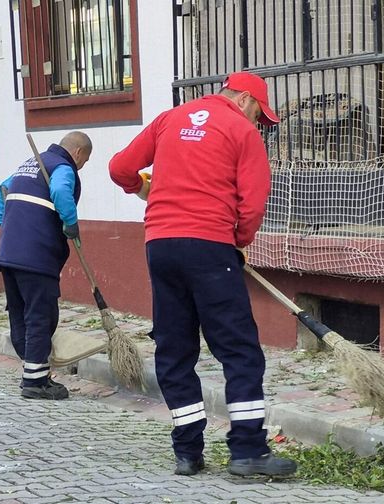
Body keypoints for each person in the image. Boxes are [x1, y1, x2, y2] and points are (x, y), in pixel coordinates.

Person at [108, 72, 297, 477]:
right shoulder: (241, 132)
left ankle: (187, 452)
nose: (257, 125)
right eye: (258, 116)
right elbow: (252, 201)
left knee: (175, 350)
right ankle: (247, 451)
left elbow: (120, 168)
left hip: (159, 245)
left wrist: (139, 187)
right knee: (238, 349)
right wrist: (238, 241)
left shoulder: (169, 118)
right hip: (210, 245)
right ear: (245, 100)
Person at [0, 131, 92, 400]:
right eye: (84, 161)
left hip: (9, 252)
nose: (81, 166)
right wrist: (70, 222)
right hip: (37, 256)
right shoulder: (62, 167)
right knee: (41, 314)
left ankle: (34, 369)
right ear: (78, 153)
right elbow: (59, 190)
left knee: (20, 313)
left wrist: (9, 225)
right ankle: (35, 382)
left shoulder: (29, 164)